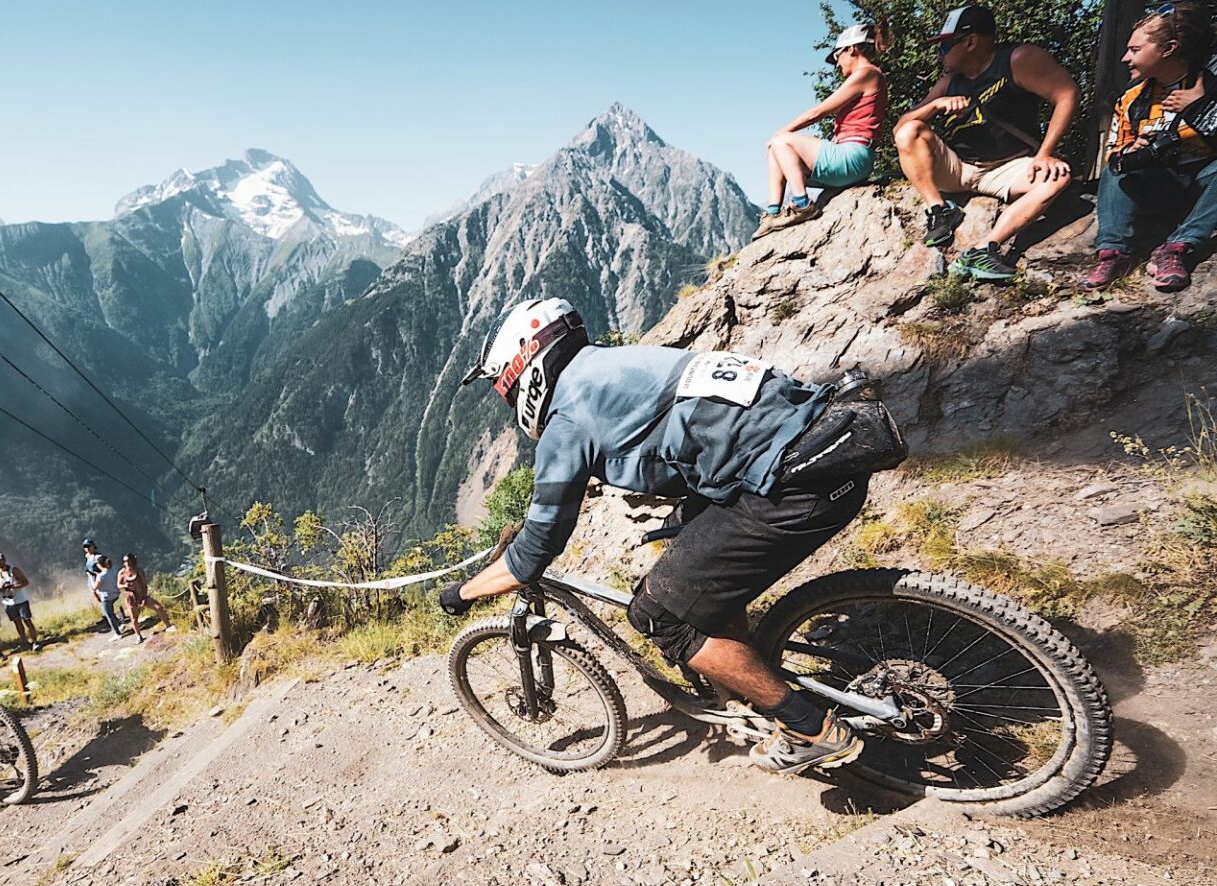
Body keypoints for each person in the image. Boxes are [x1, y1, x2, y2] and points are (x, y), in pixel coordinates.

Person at [440, 298, 906, 775]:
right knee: (689, 555)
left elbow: (533, 553)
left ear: (524, 368)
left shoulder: (568, 419)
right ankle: (743, 682)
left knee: (659, 616)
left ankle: (811, 730)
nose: (509, 398)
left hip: (790, 485)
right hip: (829, 441)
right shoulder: (618, 364)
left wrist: (462, 593)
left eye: (505, 388)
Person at [894, 5, 1080, 280]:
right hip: (959, 168)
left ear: (970, 42)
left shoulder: (1017, 60)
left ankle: (984, 249)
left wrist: (1045, 154)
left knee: (1057, 177)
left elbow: (1067, 93)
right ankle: (939, 210)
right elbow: (900, 127)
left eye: (945, 46)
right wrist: (935, 106)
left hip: (1008, 168)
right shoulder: (948, 82)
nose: (939, 54)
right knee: (910, 131)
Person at [1082, 3, 1217, 293]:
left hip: (1204, 185)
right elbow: (1115, 155)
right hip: (1157, 185)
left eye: (1135, 50)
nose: (1125, 58)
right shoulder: (1132, 99)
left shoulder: (1210, 83)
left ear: (1168, 49)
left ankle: (1178, 248)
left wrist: (1199, 107)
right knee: (1116, 170)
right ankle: (1113, 254)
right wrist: (1132, 149)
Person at [755, 21, 892, 237]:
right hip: (847, 159)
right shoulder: (866, 76)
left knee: (781, 141)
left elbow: (817, 113)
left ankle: (802, 204)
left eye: (837, 56)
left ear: (851, 49)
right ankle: (773, 214)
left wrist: (780, 133)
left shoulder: (867, 73)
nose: (836, 64)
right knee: (776, 148)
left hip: (852, 156)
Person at [0, 552, 41, 652]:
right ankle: (24, 642)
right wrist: (2, 588)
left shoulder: (14, 570)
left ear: (4, 560)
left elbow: (25, 582)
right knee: (17, 623)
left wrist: (13, 586)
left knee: (27, 621)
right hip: (8, 602)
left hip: (21, 600)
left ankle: (35, 641)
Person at [117, 552, 171, 644]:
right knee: (134, 618)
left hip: (141, 595)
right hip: (130, 597)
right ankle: (138, 636)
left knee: (158, 607)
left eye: (128, 560)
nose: (127, 563)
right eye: (125, 561)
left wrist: (144, 596)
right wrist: (125, 585)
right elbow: (118, 585)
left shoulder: (139, 571)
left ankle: (169, 626)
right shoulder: (122, 572)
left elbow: (144, 584)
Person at [82, 537, 121, 631]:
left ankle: (117, 620)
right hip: (93, 580)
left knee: (106, 601)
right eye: (85, 546)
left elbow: (106, 566)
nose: (87, 548)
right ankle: (109, 618)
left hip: (100, 581)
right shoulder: (88, 557)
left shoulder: (98, 557)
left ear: (93, 546)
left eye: (89, 546)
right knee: (100, 601)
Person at [91, 554, 124, 638]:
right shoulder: (113, 570)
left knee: (110, 616)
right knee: (117, 611)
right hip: (116, 594)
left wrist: (93, 579)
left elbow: (95, 587)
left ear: (99, 564)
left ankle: (117, 633)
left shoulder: (101, 576)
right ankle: (121, 624)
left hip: (106, 597)